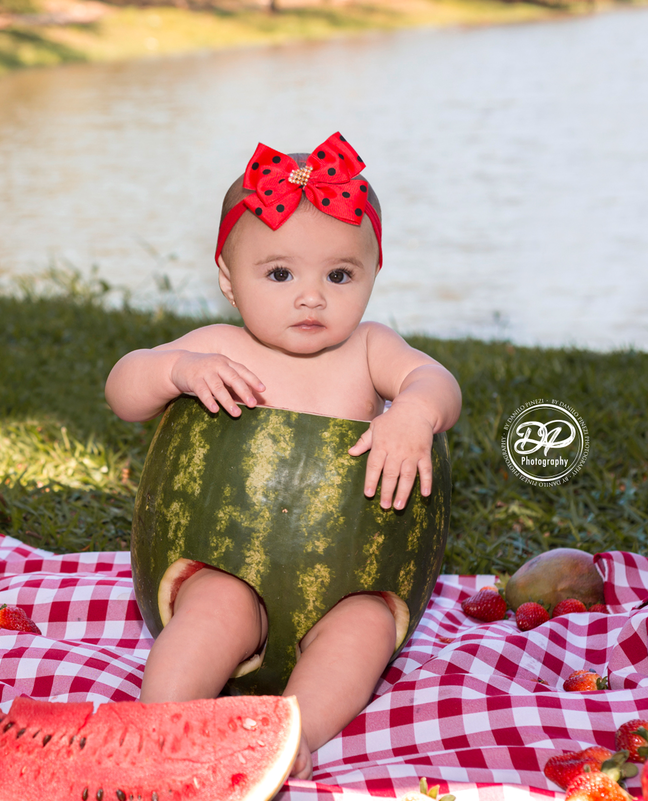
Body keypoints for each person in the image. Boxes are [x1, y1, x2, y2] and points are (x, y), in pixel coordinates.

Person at [104, 133, 462, 779]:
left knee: (368, 627)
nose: (311, 296)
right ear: (228, 281)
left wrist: (414, 412)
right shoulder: (220, 346)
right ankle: (158, 724)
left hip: (351, 579)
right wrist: (180, 369)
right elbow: (125, 385)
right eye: (279, 273)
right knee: (214, 605)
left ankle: (293, 735)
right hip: (228, 564)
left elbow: (437, 381)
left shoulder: (371, 350)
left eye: (340, 274)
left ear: (374, 274)